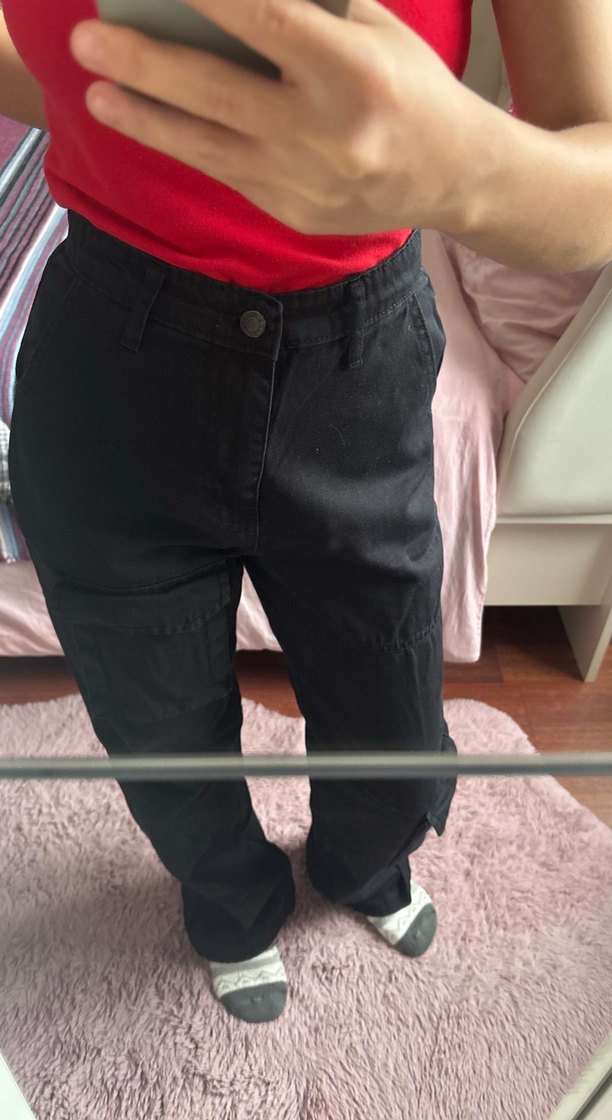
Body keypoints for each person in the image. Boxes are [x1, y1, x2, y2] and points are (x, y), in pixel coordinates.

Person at [2, 0, 611, 1025]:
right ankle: (229, 903)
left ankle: (365, 863)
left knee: (394, 724)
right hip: (112, 355)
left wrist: (456, 169)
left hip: (357, 358)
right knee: (157, 728)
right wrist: (129, 98)